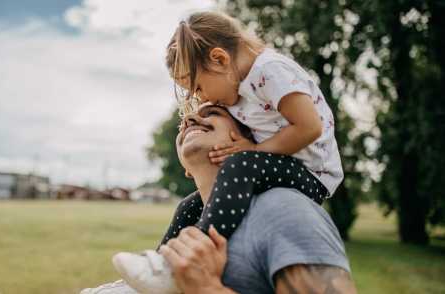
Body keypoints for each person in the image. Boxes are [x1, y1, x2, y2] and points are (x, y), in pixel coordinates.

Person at [112, 11, 344, 293]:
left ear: (220, 59)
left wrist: (254, 149)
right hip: (282, 162)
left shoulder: (271, 71)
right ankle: (161, 266)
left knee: (243, 163)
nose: (202, 100)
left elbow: (309, 128)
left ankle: (198, 251)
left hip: (313, 173)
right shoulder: (240, 88)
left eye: (198, 87)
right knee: (188, 205)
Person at [81, 103, 356, 293]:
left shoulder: (284, 209)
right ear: (186, 169)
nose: (189, 120)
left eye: (212, 112)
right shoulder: (189, 217)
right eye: (183, 123)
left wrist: (207, 289)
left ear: (248, 138)